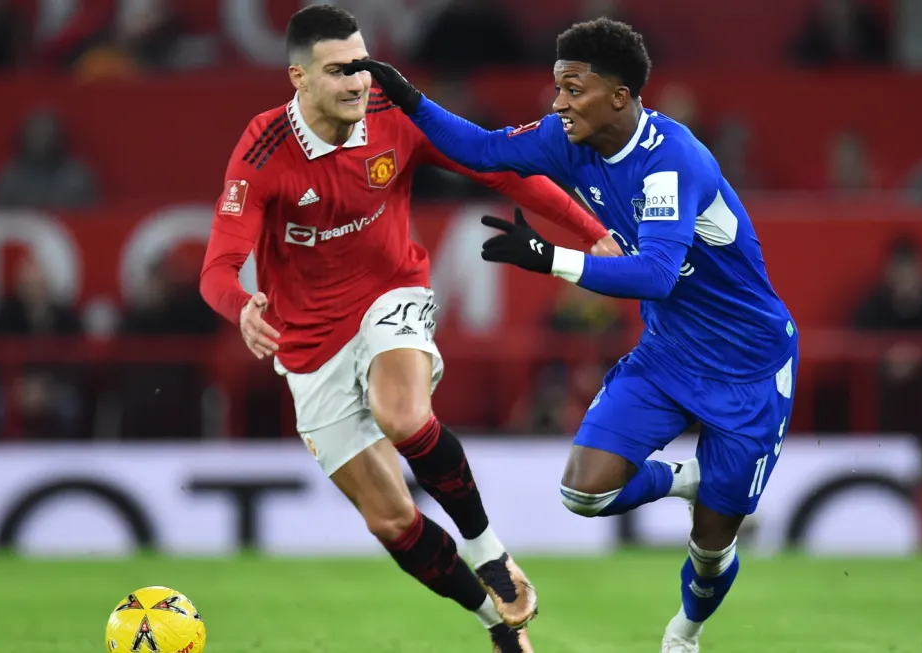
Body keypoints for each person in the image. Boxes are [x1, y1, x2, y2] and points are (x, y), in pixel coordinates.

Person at [344, 17, 798, 653]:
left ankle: (685, 632)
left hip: (749, 365)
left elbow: (657, 274)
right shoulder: (567, 138)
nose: (557, 103)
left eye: (572, 89)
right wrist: (413, 100)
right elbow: (482, 150)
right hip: (668, 355)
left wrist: (549, 256)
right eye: (556, 86)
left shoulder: (673, 161)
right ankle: (689, 479)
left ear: (619, 96)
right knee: (582, 494)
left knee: (711, 553)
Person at [199, 6, 617, 652]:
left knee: (400, 413)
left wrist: (591, 232)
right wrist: (241, 306)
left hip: (390, 294)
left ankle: (490, 552)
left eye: (362, 66)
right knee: (391, 519)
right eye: (339, 71)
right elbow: (217, 267)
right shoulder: (262, 151)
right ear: (298, 79)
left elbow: (500, 171)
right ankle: (497, 625)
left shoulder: (394, 115)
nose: (358, 83)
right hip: (308, 344)